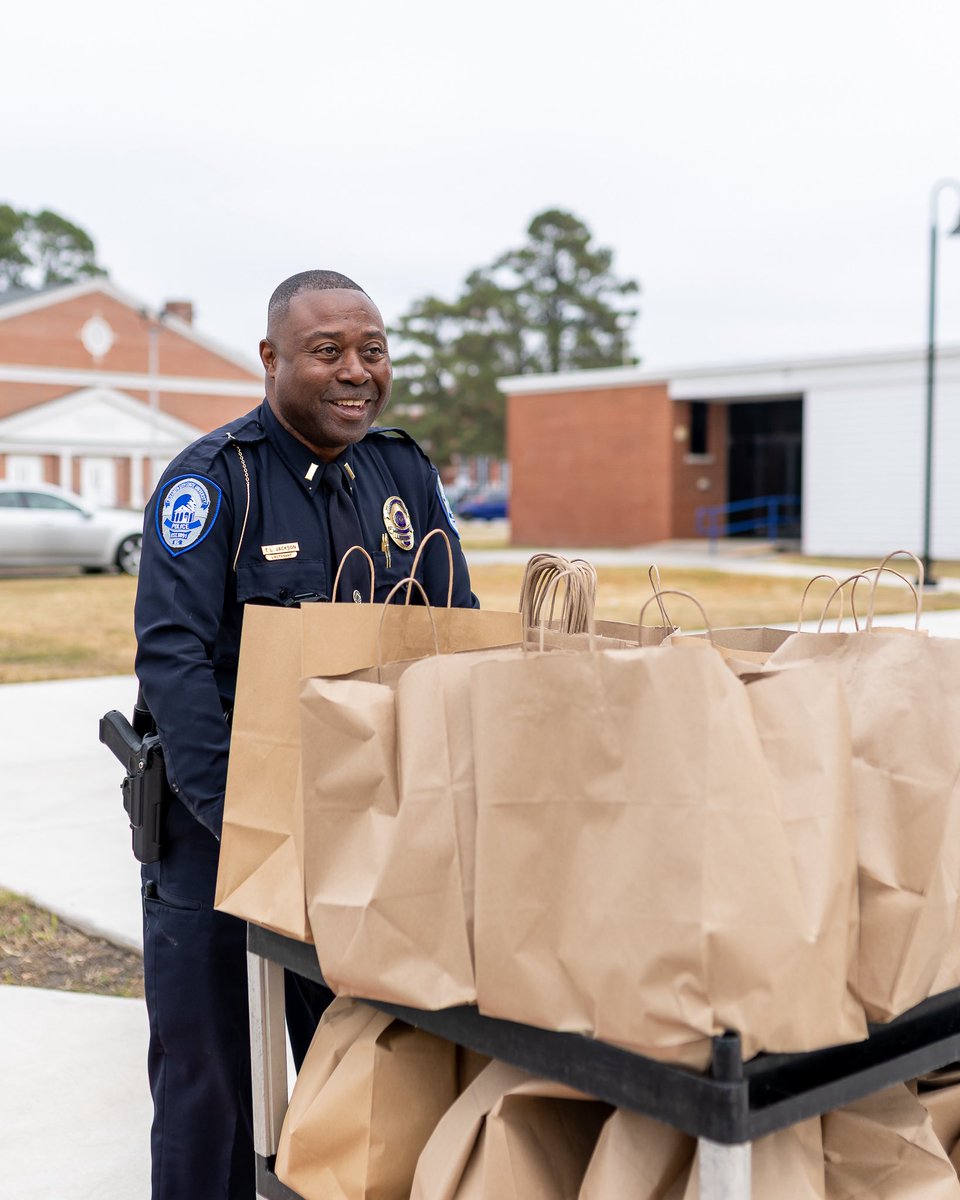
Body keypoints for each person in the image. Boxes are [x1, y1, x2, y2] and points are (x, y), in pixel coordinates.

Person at [133, 269, 478, 1200]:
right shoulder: (215, 482)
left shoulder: (403, 470)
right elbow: (174, 669)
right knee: (213, 1089)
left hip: (364, 835)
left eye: (372, 351)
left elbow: (455, 627)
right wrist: (253, 826)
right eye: (328, 352)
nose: (355, 372)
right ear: (272, 359)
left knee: (359, 1072)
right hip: (220, 835)